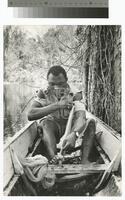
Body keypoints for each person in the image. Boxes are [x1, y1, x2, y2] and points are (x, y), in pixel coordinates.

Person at [28, 66, 96, 164]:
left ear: (66, 81)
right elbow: (30, 115)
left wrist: (74, 134)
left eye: (60, 84)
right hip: (54, 129)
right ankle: (54, 159)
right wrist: (57, 105)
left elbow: (81, 117)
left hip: (72, 128)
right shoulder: (43, 92)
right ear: (47, 82)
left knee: (91, 123)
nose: (56, 88)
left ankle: (85, 160)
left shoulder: (76, 93)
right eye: (52, 84)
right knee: (45, 123)